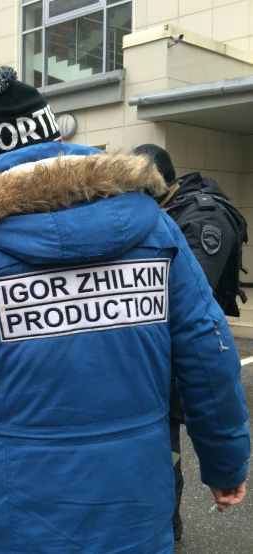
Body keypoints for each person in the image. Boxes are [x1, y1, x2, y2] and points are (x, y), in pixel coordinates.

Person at [0, 66, 250, 553]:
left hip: (22, 493)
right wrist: (225, 463)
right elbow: (208, 351)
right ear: (58, 140)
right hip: (136, 485)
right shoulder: (154, 226)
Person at [132, 143, 248, 541]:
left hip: (185, 354)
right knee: (155, 443)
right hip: (165, 351)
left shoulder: (202, 217)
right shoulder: (171, 209)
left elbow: (187, 291)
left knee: (166, 447)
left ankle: (169, 524)